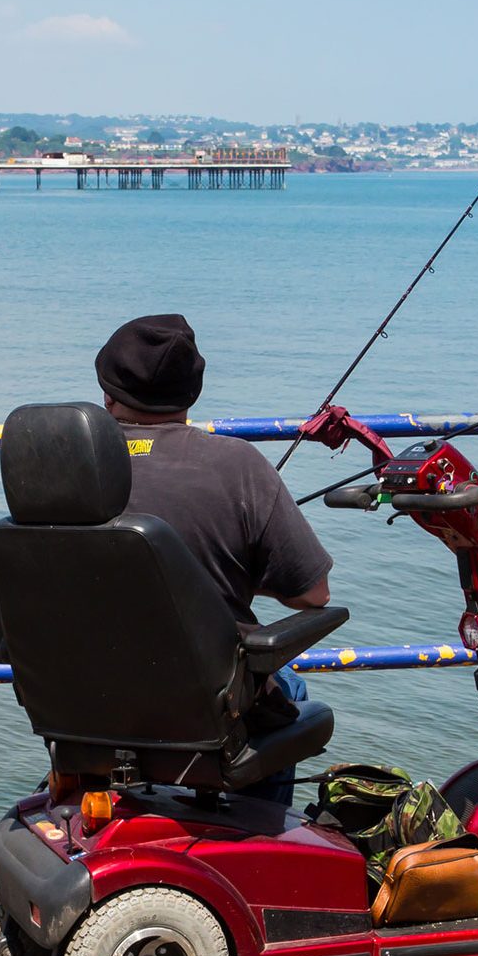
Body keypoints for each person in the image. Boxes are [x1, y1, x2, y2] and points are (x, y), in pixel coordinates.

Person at [94, 313, 332, 802]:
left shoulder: (65, 466)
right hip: (203, 707)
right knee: (289, 686)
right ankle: (257, 842)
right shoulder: (237, 465)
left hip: (87, 701)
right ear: (191, 394)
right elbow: (313, 594)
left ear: (108, 392)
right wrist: (230, 569)